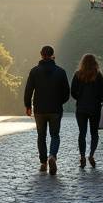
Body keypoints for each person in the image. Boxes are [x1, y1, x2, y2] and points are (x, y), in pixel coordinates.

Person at [23, 45, 70, 174]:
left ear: (41, 54)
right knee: (55, 135)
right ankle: (52, 156)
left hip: (39, 109)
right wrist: (60, 102)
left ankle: (43, 162)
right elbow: (67, 92)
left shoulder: (34, 71)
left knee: (41, 136)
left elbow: (28, 90)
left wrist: (28, 106)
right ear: (52, 54)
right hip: (55, 109)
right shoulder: (61, 72)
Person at [70, 53, 103, 168]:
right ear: (94, 63)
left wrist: (80, 98)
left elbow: (72, 92)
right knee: (94, 133)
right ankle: (91, 155)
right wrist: (98, 99)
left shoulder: (77, 75)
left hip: (81, 108)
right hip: (95, 108)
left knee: (82, 133)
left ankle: (82, 156)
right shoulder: (98, 75)